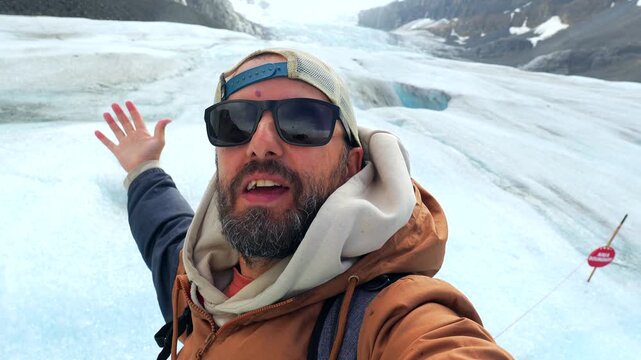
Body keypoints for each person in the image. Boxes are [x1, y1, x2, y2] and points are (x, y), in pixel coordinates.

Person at [95, 48, 512, 359]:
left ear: (351, 165)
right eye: (235, 121)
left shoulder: (382, 318)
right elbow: (166, 233)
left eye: (303, 121)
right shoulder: (201, 283)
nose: (261, 144)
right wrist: (144, 169)